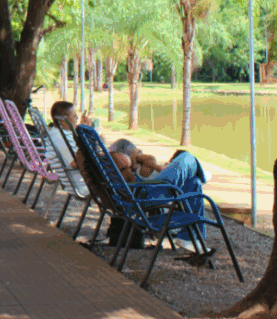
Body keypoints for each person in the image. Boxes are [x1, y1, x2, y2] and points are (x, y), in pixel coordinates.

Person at [50, 100, 210, 240]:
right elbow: (78, 162)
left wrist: (94, 139)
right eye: (75, 117)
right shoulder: (65, 139)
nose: (77, 120)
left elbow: (92, 160)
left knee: (193, 182)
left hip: (122, 191)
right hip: (139, 195)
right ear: (64, 121)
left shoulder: (70, 141)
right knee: (187, 158)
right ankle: (200, 175)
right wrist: (94, 138)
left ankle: (189, 237)